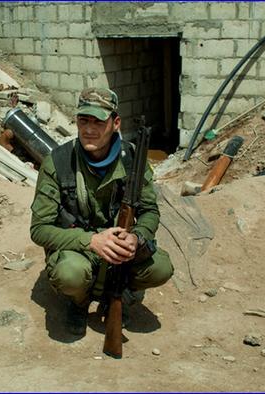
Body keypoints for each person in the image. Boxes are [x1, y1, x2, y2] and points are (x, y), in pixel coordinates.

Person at [30, 87, 173, 336]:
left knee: (161, 267)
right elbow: (39, 230)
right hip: (80, 250)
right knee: (70, 274)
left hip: (118, 252)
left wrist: (136, 237)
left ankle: (114, 296)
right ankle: (79, 302)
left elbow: (150, 210)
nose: (89, 129)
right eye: (83, 120)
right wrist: (91, 241)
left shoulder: (133, 160)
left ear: (115, 123)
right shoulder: (58, 162)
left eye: (98, 121)